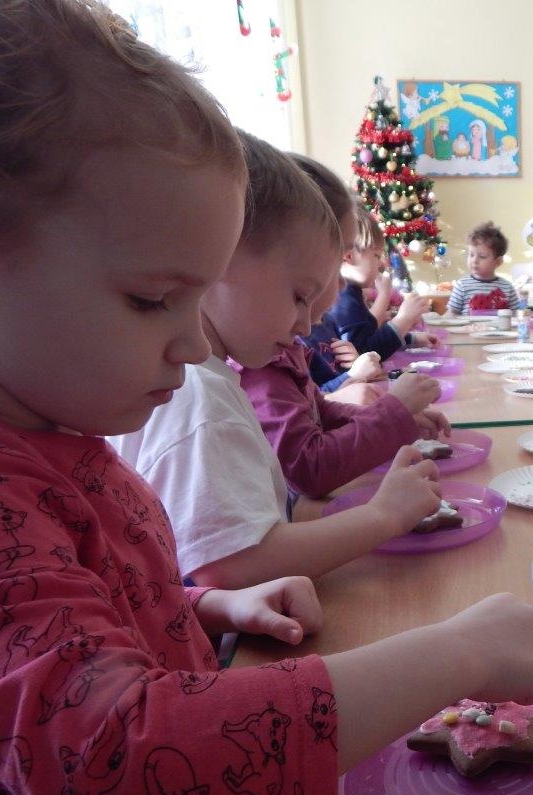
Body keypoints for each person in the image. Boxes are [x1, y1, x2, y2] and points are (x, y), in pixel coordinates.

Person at [0, 2, 533, 795]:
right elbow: (112, 765)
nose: (192, 340)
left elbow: (48, 624)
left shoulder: (40, 425)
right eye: (151, 299)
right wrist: (459, 655)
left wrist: (198, 607)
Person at [110, 132, 451, 589]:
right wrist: (384, 515)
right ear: (218, 257)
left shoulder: (209, 379)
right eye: (299, 296)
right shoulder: (196, 396)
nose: (307, 325)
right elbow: (230, 566)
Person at [236, 153, 450, 500]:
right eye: (301, 294)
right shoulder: (257, 363)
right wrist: (392, 413)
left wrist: (397, 417)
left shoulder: (279, 347)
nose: (335, 289)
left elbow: (319, 411)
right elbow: (310, 468)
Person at [322, 202, 435, 360]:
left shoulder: (351, 293)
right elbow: (364, 354)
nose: (381, 264)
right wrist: (403, 320)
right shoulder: (344, 299)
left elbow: (370, 335)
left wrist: (411, 338)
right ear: (349, 256)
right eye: (376, 255)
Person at [445, 221, 521, 314]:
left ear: (498, 261)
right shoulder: (462, 286)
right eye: (471, 255)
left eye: (482, 256)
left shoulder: (507, 287)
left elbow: (517, 315)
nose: (474, 260)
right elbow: (451, 314)